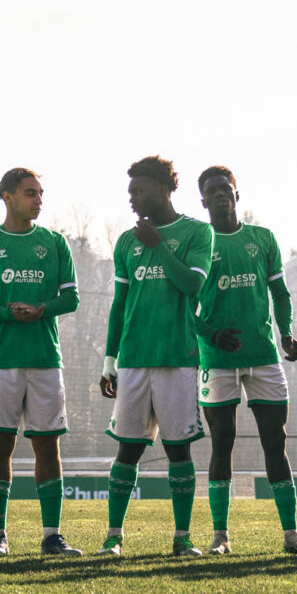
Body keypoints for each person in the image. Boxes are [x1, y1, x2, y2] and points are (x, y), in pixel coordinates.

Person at [195, 166, 297, 555]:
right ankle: (220, 536)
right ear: (203, 200)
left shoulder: (262, 238)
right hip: (216, 359)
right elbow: (183, 305)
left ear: (236, 194)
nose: (220, 195)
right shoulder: (199, 241)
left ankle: (291, 535)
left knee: (275, 442)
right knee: (222, 444)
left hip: (264, 357)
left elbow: (280, 294)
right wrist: (211, 333)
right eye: (212, 191)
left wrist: (285, 332)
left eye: (225, 189)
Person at [97, 156, 214, 557]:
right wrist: (108, 361)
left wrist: (159, 245)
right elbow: (119, 304)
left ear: (164, 190)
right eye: (129, 191)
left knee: (178, 449)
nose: (132, 198)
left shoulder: (197, 233)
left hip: (178, 357)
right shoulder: (126, 242)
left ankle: (182, 538)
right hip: (132, 360)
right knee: (127, 449)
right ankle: (113, 536)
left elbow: (191, 285)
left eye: (139, 190)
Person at [0, 167, 82, 556]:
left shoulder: (54, 242)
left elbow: (72, 298)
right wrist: (9, 313)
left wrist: (41, 309)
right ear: (7, 196)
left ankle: (52, 535)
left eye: (40, 193)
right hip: (1, 360)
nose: (38, 199)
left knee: (48, 448)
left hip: (46, 359)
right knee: (0, 445)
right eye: (30, 193)